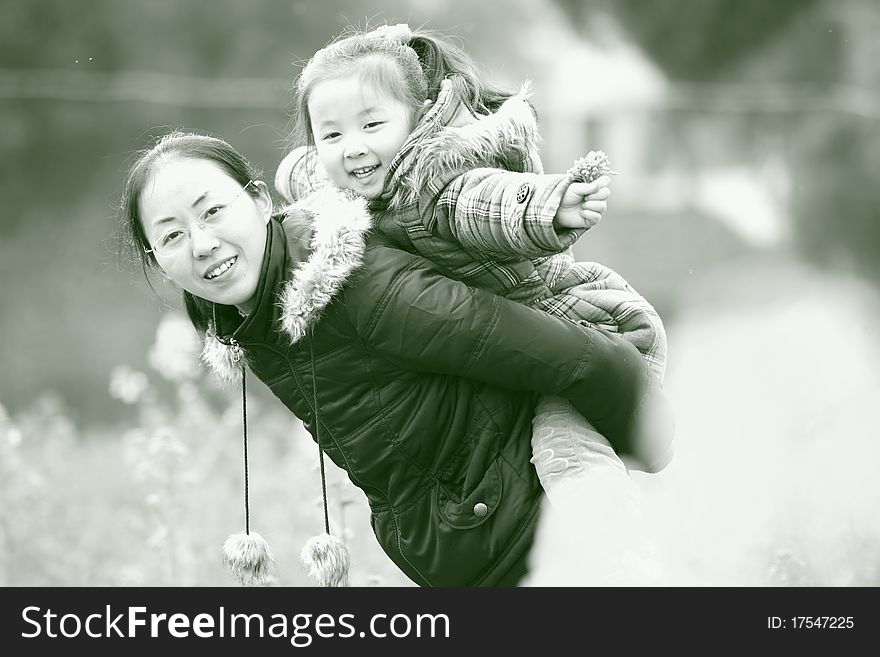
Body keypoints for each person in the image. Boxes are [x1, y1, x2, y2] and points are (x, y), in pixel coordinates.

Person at [118, 131, 673, 586]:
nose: (201, 243)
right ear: (157, 260)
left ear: (260, 201)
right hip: (478, 565)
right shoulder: (254, 318)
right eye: (171, 237)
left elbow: (588, 362)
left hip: (551, 550)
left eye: (212, 211)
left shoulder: (362, 290)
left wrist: (648, 454)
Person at [275, 25, 671, 498]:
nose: (353, 146)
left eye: (371, 126)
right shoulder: (348, 181)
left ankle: (615, 557)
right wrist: (276, 184)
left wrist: (552, 206)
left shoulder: (438, 184)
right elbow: (307, 173)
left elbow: (493, 206)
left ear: (417, 119)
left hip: (590, 328)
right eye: (332, 134)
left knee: (563, 454)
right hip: (527, 354)